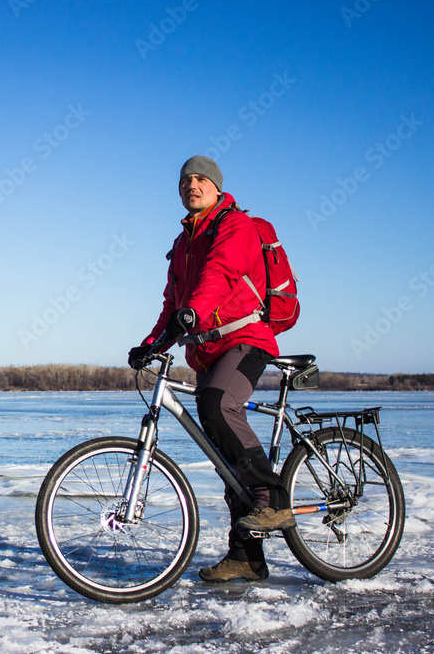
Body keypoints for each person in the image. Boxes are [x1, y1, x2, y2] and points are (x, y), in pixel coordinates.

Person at [128, 155, 295, 582]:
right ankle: (247, 558)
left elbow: (220, 274)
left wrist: (193, 313)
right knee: (223, 456)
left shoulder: (235, 226)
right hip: (206, 351)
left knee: (220, 405)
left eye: (201, 179)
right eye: (185, 180)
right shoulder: (182, 243)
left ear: (217, 188)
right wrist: (151, 344)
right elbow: (172, 304)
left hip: (246, 340)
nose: (192, 185)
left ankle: (273, 499)